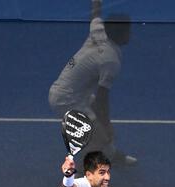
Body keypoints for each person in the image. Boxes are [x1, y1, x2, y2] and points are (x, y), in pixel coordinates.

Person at [48, 0, 137, 172]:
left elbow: (95, 14)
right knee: (98, 137)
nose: (130, 34)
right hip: (66, 99)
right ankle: (80, 178)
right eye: (127, 31)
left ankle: (112, 154)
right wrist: (106, 123)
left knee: (102, 133)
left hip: (75, 92)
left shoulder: (99, 31)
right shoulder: (110, 60)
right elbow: (102, 98)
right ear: (119, 34)